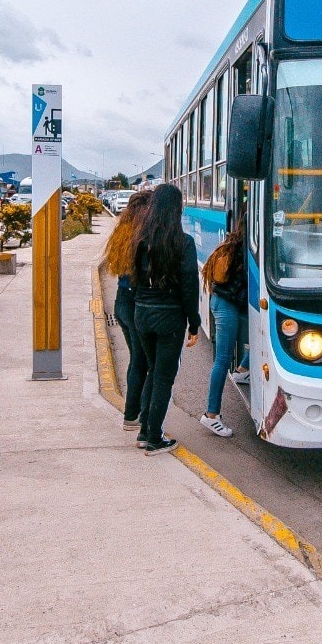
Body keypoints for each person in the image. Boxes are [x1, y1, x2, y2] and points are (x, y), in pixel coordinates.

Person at [130, 184, 200, 455]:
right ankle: (154, 438)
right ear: (176, 209)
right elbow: (189, 286)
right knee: (163, 377)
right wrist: (194, 323)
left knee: (151, 369)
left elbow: (135, 280)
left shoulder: (140, 240)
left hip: (142, 314)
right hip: (169, 318)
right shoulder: (183, 242)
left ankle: (145, 430)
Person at [102, 190, 153, 430]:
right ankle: (133, 414)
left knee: (137, 359)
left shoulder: (122, 232)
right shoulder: (141, 237)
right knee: (141, 361)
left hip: (121, 301)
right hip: (134, 303)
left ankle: (135, 412)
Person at [199, 219, 249, 438]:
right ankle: (211, 415)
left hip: (226, 302)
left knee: (265, 337)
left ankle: (242, 371)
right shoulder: (245, 250)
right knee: (222, 360)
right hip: (227, 306)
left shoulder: (234, 243)